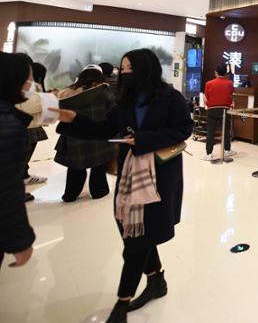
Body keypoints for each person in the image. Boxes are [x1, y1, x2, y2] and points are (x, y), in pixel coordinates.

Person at [54, 48, 193, 323]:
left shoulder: (171, 98)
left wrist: (143, 139)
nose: (125, 73)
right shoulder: (125, 101)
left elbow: (183, 129)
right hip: (129, 174)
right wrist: (72, 119)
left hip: (159, 176)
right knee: (133, 230)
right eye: (123, 68)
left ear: (146, 69)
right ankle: (156, 279)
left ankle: (122, 302)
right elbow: (104, 129)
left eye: (130, 69)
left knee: (137, 241)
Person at [54, 67, 116, 201]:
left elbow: (60, 113)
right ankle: (99, 192)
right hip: (98, 134)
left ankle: (70, 195)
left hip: (74, 137)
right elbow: (113, 110)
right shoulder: (104, 91)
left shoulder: (66, 94)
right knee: (98, 167)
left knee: (75, 168)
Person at [0, 52, 37, 270]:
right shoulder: (8, 125)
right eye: (29, 77)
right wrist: (20, 241)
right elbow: (6, 188)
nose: (31, 83)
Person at [16, 57, 50, 199]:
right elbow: (29, 106)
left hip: (27, 125)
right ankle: (18, 188)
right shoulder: (28, 86)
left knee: (21, 159)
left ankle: (24, 177)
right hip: (28, 126)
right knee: (20, 159)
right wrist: (48, 101)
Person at [201, 65, 235, 161]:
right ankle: (227, 150)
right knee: (226, 131)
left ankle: (209, 153)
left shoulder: (209, 83)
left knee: (210, 132)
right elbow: (231, 95)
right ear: (225, 73)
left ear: (216, 72)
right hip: (225, 109)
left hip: (212, 109)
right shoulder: (230, 83)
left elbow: (206, 97)